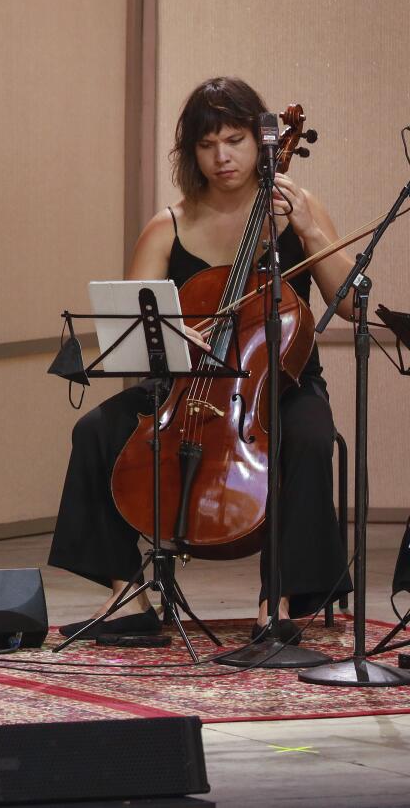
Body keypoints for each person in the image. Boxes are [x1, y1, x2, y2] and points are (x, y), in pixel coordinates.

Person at [48, 77, 354, 641]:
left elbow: (352, 304)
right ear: (190, 152)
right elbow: (134, 325)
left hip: (277, 384)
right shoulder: (170, 225)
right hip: (189, 385)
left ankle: (279, 601)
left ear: (260, 144)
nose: (222, 157)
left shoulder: (297, 210)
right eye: (207, 144)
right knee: (94, 431)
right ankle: (128, 596)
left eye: (234, 140)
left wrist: (309, 232)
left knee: (310, 438)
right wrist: (177, 334)